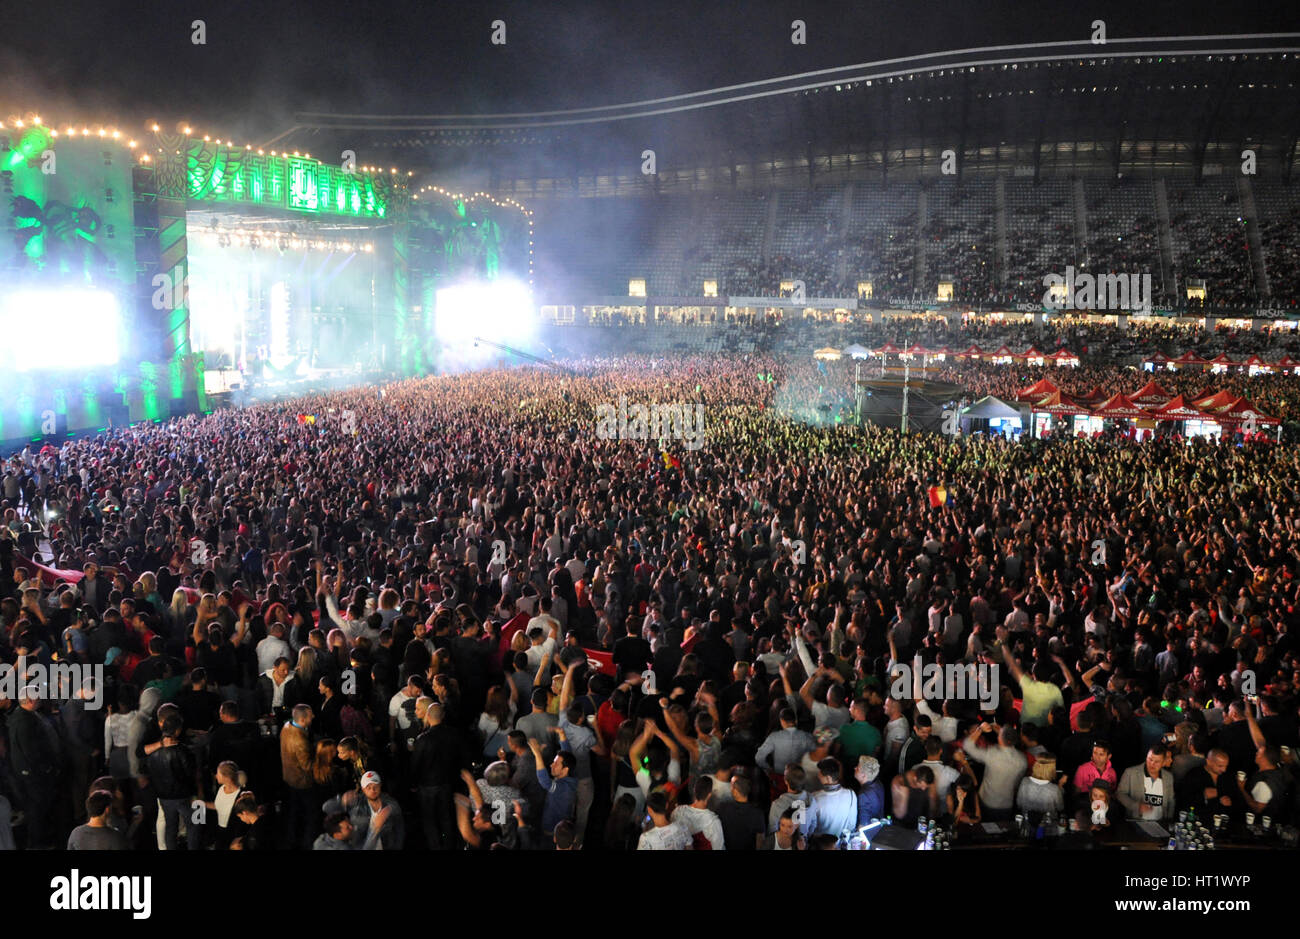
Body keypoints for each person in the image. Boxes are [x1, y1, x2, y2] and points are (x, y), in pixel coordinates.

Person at [958, 721, 1027, 822]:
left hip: (987, 801)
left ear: (1000, 739)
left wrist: (980, 729)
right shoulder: (1022, 760)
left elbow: (968, 746)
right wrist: (1003, 733)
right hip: (1007, 804)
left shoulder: (992, 754)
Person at [321, 771, 404, 850]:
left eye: (376, 786)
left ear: (380, 785)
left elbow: (399, 830)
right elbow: (326, 807)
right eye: (368, 787)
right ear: (363, 789)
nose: (372, 790)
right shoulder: (357, 804)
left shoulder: (391, 805)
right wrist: (341, 800)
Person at [280, 703, 317, 849]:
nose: (313, 716)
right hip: (302, 782)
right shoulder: (300, 740)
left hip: (289, 778)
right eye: (310, 715)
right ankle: (309, 843)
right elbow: (307, 766)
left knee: (293, 813)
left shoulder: (286, 727)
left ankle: (291, 840)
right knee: (311, 816)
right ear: (302, 719)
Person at [1116, 744, 1177, 821]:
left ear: (1163, 762)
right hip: (1136, 821)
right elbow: (1120, 794)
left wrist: (1169, 819)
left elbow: (1171, 801)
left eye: (1157, 762)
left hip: (1160, 822)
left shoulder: (1168, 777)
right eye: (1150, 759)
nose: (1152, 764)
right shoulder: (1130, 773)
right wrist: (1137, 806)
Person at [671, 776, 727, 850]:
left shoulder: (678, 812)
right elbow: (719, 847)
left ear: (694, 790)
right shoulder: (713, 822)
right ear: (709, 795)